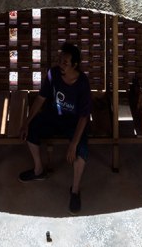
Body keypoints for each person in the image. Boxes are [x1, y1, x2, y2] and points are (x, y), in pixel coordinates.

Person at [19, 42, 92, 214]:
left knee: (81, 151)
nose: (61, 64)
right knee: (32, 130)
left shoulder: (82, 83)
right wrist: (26, 123)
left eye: (65, 62)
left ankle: (74, 191)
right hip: (54, 116)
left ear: (75, 65)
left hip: (74, 122)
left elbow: (84, 116)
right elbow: (40, 99)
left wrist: (73, 143)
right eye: (60, 60)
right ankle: (38, 170)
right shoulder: (53, 74)